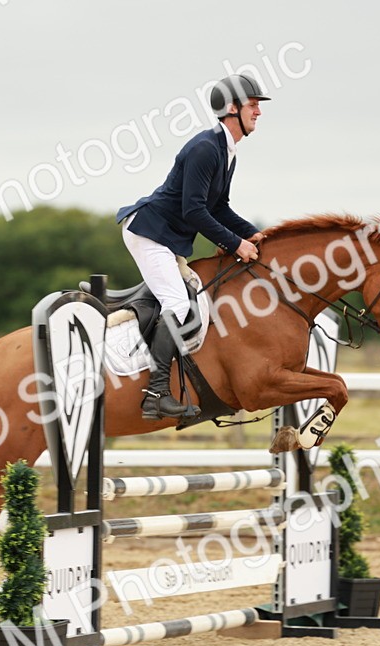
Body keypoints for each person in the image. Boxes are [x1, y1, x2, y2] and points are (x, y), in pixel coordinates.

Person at [116, 74, 270, 420]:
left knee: (184, 301)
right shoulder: (205, 148)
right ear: (232, 108)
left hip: (164, 235)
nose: (259, 111)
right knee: (176, 303)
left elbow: (219, 208)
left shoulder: (226, 152)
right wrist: (235, 244)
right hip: (149, 232)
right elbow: (194, 211)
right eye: (253, 105)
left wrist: (253, 234)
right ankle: (155, 393)